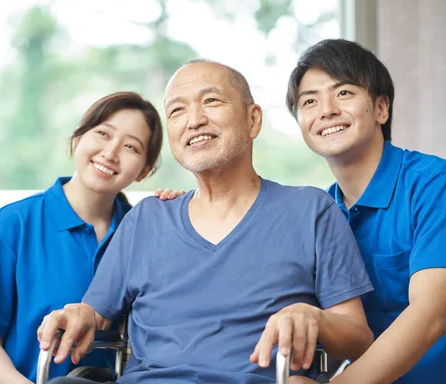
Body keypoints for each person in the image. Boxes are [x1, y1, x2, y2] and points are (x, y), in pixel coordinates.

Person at [37, 60, 375, 384]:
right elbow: (97, 313)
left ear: (253, 120)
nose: (194, 120)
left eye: (211, 101)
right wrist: (80, 314)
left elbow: (358, 338)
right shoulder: (147, 218)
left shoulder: (311, 210)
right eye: (177, 111)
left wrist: (313, 317)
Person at [285, 38, 446, 383]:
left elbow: (430, 316)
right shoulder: (320, 214)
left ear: (382, 108)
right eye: (309, 101)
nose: (326, 110)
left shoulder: (437, 183)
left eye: (343, 93)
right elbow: (339, 332)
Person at [0, 91, 164, 384]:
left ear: (145, 170)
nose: (111, 153)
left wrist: (177, 209)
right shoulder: (10, 225)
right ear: (78, 139)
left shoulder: (147, 231)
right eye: (102, 133)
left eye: (130, 147)